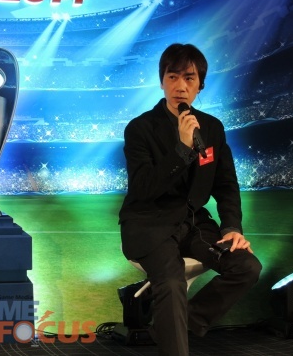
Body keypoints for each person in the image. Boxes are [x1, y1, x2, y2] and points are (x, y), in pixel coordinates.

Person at [118, 43, 262, 355]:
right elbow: (142, 188)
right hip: (148, 223)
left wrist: (232, 228)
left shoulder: (212, 128)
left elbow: (226, 184)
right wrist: (182, 150)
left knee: (247, 267)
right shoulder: (140, 128)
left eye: (189, 78)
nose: (180, 86)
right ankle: (172, 333)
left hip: (195, 224)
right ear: (162, 81)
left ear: (200, 85)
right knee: (171, 284)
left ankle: (178, 323)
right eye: (172, 77)